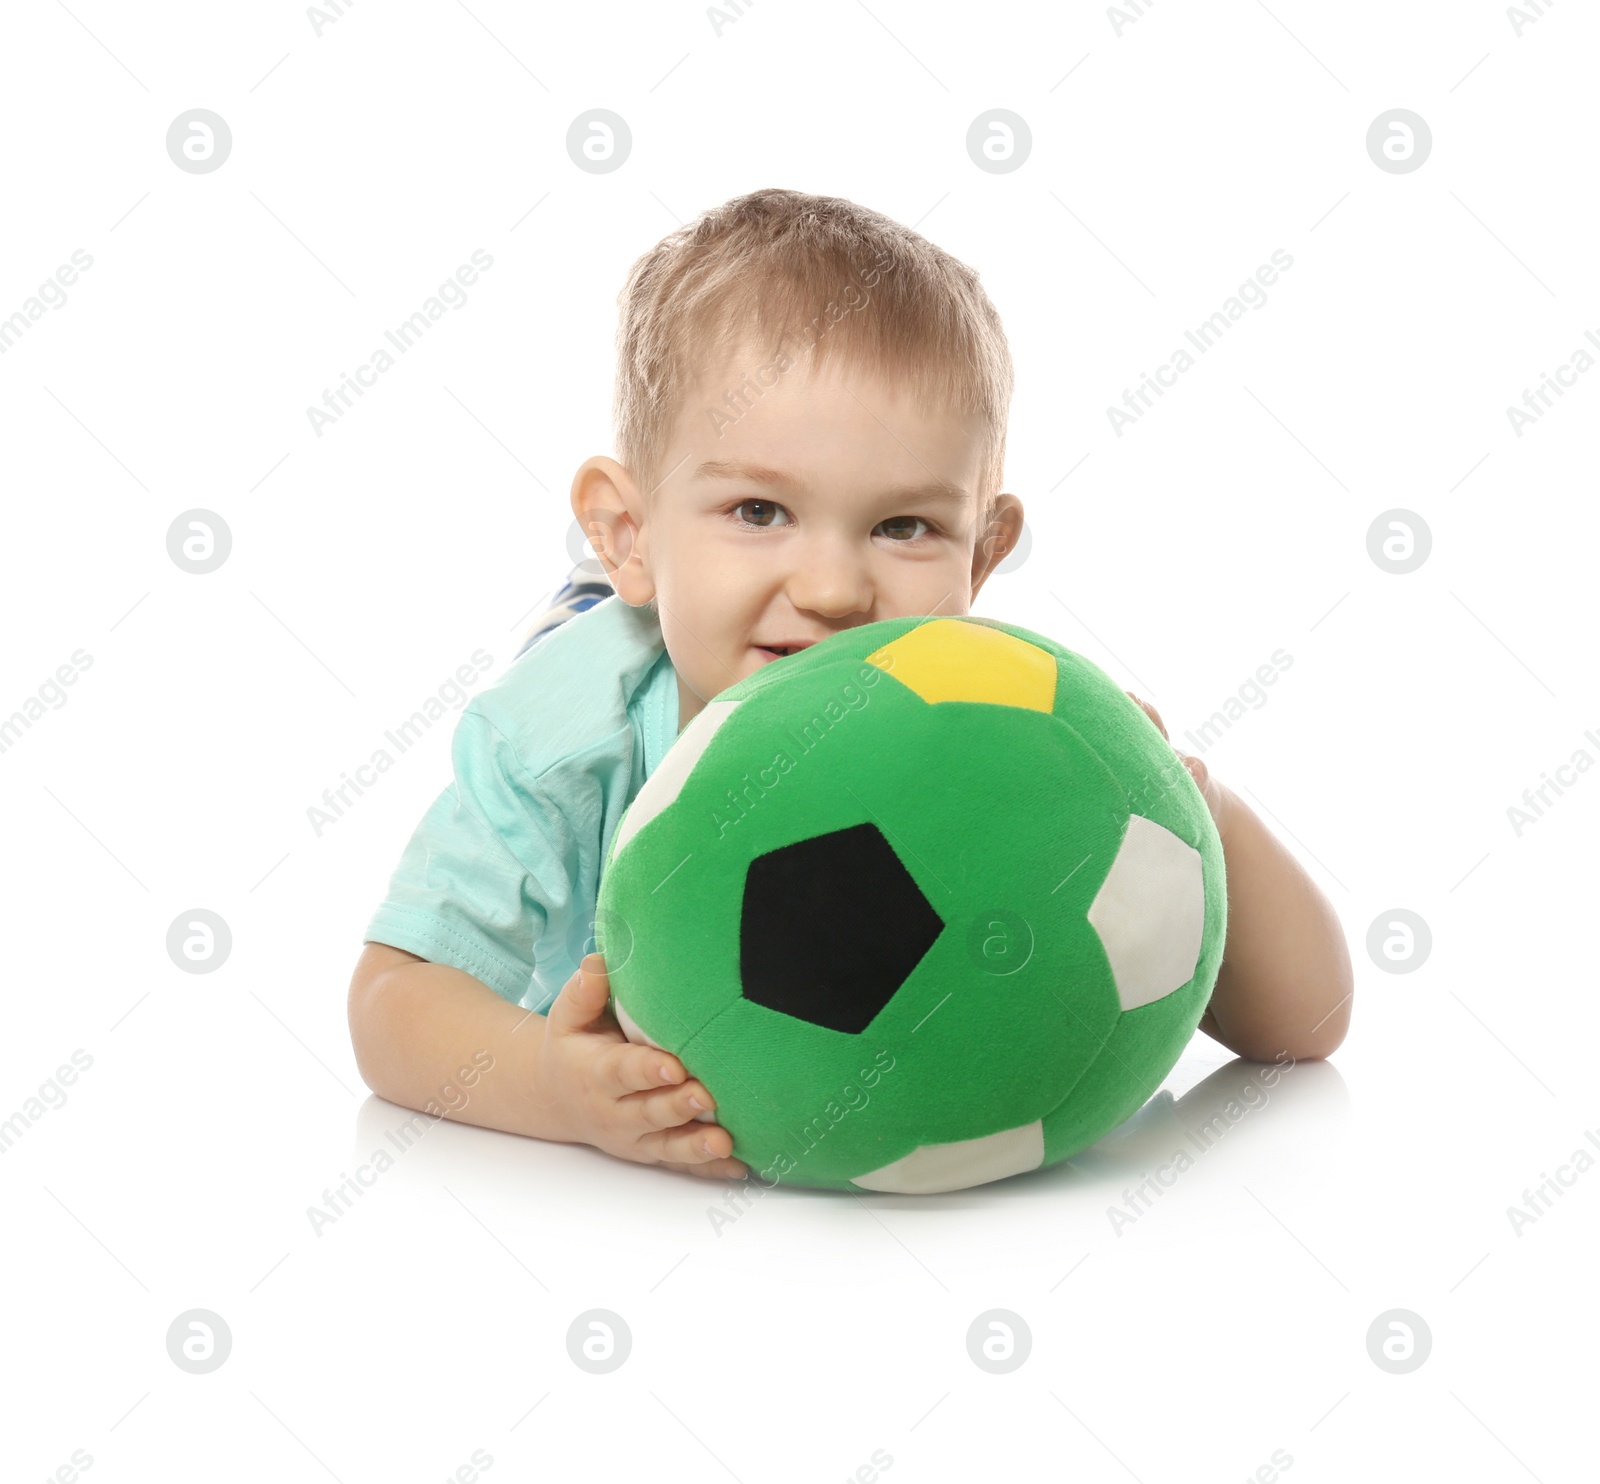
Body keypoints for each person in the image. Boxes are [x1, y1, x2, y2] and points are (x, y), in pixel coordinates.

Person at [346, 187, 1352, 1184]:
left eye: (904, 526)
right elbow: (392, 1000)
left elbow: (1305, 1026)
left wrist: (1183, 801)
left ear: (982, 554)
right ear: (628, 531)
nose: (831, 590)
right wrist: (551, 1086)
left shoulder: (1007, 736)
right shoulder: (566, 739)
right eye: (757, 508)